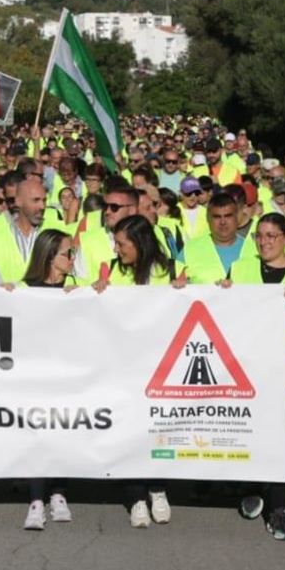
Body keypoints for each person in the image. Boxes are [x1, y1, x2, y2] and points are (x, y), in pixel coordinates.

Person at [222, 213, 285, 541]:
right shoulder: (241, 268)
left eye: (272, 236)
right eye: (259, 236)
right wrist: (222, 292)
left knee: (284, 444)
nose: (264, 242)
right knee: (253, 434)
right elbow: (224, 312)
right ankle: (253, 489)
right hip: (251, 373)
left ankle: (279, 508)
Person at [95, 214, 185, 528]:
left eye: (122, 243)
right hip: (123, 368)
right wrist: (96, 292)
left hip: (160, 368)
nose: (117, 249)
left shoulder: (168, 271)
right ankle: (135, 497)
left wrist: (184, 292)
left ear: (139, 243)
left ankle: (158, 489)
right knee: (129, 434)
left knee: (157, 432)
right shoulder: (111, 270)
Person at [0, 178, 53, 283]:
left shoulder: (55, 232)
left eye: (44, 200)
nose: (42, 206)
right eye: (36, 200)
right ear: (18, 202)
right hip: (6, 298)